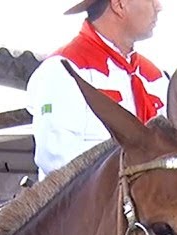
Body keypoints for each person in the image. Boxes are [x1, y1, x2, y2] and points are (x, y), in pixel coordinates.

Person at [26, 0, 167, 180]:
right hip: (88, 206)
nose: (159, 6)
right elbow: (57, 160)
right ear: (119, 4)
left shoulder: (156, 77)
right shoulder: (62, 69)